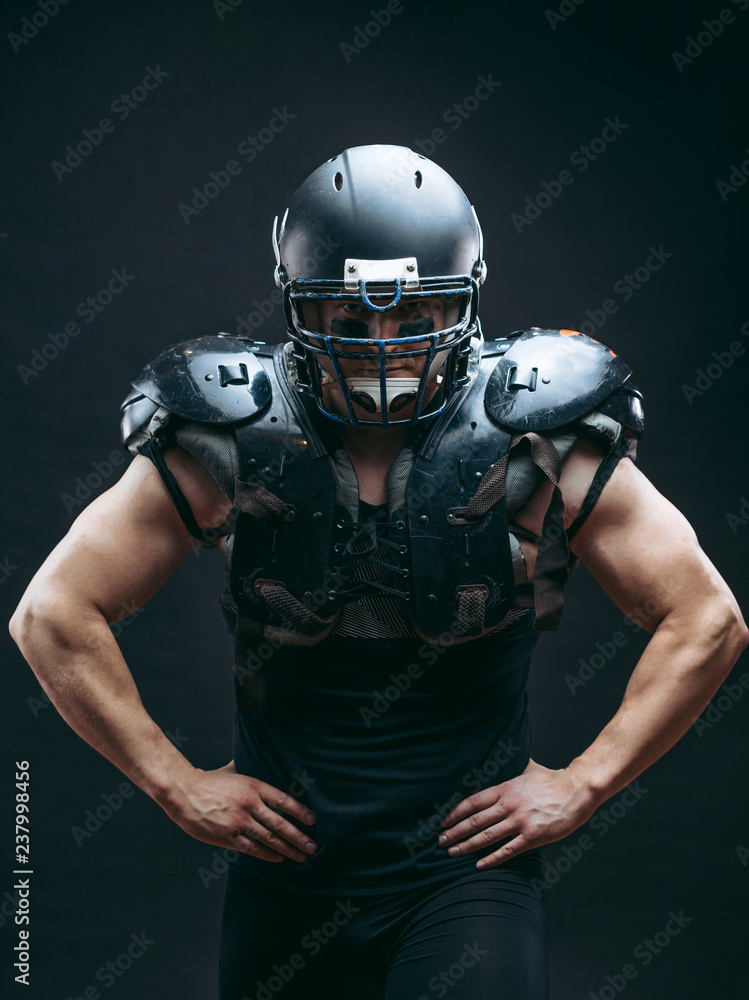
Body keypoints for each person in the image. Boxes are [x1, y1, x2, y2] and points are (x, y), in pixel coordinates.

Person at [9, 145, 747, 1000]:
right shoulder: (230, 440)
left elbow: (705, 618)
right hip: (285, 880)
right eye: (351, 321)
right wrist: (174, 784)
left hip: (463, 883)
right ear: (300, 308)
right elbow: (52, 615)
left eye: (415, 317)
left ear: (464, 302)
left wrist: (583, 783)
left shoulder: (534, 439)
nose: (383, 350)